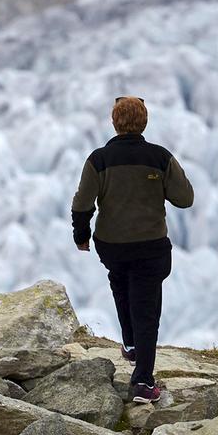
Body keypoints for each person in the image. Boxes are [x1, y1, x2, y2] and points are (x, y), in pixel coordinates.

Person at [72, 95, 194, 402]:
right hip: (151, 246)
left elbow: (82, 203)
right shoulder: (159, 157)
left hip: (111, 245)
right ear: (145, 122)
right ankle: (142, 382)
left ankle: (130, 343)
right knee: (146, 309)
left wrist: (81, 235)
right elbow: (185, 198)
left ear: (114, 123)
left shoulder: (98, 160)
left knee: (120, 283)